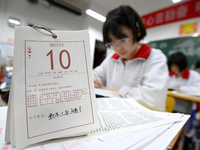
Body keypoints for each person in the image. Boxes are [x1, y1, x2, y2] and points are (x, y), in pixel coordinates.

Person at [93, 5, 169, 111]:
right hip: (116, 114)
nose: (118, 48)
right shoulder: (111, 60)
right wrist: (93, 80)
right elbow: (94, 75)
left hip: (146, 119)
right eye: (111, 43)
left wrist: (119, 90)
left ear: (137, 32)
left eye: (122, 40)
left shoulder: (155, 58)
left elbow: (153, 100)